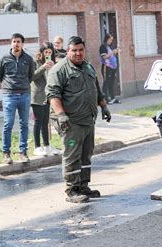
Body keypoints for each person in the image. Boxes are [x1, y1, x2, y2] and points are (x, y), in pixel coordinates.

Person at [46, 36, 112, 203]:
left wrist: (104, 106)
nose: (77, 53)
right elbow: (53, 95)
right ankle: (72, 190)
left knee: (86, 154)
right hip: (70, 121)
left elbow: (97, 89)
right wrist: (61, 115)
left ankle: (83, 186)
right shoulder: (59, 70)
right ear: (67, 51)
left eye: (80, 50)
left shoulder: (88, 67)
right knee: (72, 154)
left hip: (88, 119)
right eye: (74, 50)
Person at [0, 33, 35, 164]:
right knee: (8, 124)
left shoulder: (28, 59)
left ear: (22, 44)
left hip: (24, 95)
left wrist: (23, 86)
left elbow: (31, 76)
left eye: (18, 42)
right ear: (11, 43)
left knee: (24, 124)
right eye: (14, 41)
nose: (16, 44)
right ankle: (6, 153)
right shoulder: (4, 58)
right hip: (9, 95)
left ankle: (23, 152)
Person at [30, 41, 60, 157]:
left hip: (47, 96)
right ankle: (37, 147)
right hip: (37, 96)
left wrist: (52, 68)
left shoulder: (53, 63)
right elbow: (32, 76)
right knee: (38, 122)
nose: (47, 54)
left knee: (45, 122)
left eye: (49, 52)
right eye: (45, 52)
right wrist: (43, 67)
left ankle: (47, 146)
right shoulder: (36, 62)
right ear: (41, 52)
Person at [100, 34, 121, 104]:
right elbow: (105, 57)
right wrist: (113, 52)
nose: (111, 41)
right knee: (106, 83)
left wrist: (116, 52)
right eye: (110, 40)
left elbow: (111, 56)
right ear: (107, 39)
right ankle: (105, 99)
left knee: (112, 83)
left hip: (113, 68)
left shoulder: (109, 47)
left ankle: (113, 98)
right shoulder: (103, 46)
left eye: (112, 40)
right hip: (106, 67)